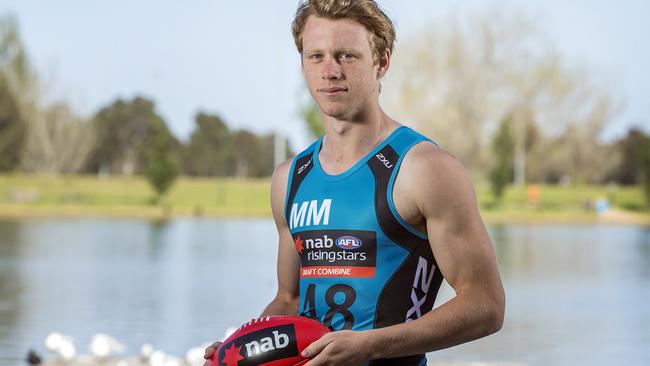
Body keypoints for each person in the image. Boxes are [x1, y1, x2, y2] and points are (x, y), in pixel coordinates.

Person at [204, 1, 505, 365]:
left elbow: (485, 305)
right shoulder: (290, 179)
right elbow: (288, 301)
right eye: (316, 56)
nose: (330, 71)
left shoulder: (425, 168)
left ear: (382, 62)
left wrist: (371, 345)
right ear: (302, 65)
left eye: (346, 55)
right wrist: (237, 350)